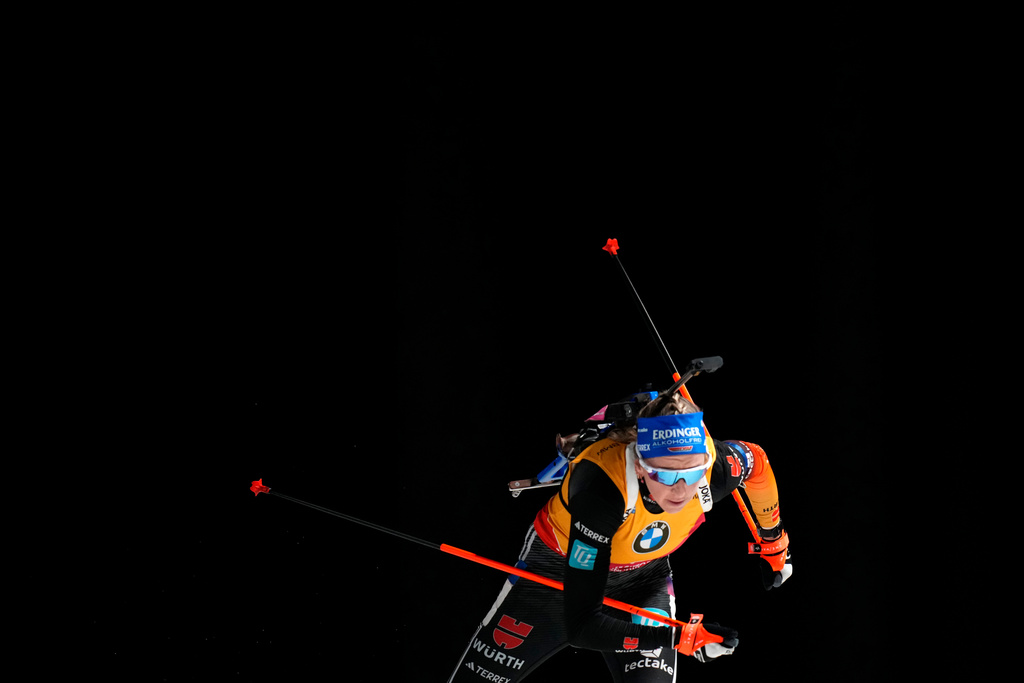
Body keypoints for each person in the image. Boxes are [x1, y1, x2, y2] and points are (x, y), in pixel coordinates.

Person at [448, 388, 792, 681]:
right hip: (554, 572)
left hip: (645, 578)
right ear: (641, 466)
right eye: (666, 475)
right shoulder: (602, 490)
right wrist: (679, 637)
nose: (682, 489)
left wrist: (773, 540)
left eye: (693, 470)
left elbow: (757, 462)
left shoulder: (715, 471)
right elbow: (583, 628)